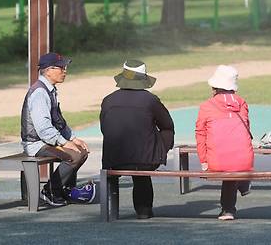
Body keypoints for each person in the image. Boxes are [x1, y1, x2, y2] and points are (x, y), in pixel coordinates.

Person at [100, 60, 175, 219]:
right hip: (144, 158)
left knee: (130, 152)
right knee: (142, 167)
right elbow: (167, 125)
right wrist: (162, 148)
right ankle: (144, 210)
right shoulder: (150, 100)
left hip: (113, 157)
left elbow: (104, 128)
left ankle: (112, 210)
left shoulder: (108, 100)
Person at [21, 52, 91, 207]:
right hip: (36, 143)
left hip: (46, 141)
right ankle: (50, 191)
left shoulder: (49, 90)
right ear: (48, 70)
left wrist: (73, 138)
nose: (65, 71)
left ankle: (64, 189)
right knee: (74, 155)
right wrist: (64, 143)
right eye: (61, 68)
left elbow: (58, 121)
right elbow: (44, 129)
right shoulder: (40, 92)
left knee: (82, 150)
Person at [195, 65, 254, 221]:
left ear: (214, 86)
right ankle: (242, 184)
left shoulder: (206, 106)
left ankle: (228, 209)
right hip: (245, 161)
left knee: (226, 163)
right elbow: (246, 128)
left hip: (218, 161)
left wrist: (203, 161)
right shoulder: (242, 103)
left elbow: (200, 134)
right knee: (235, 160)